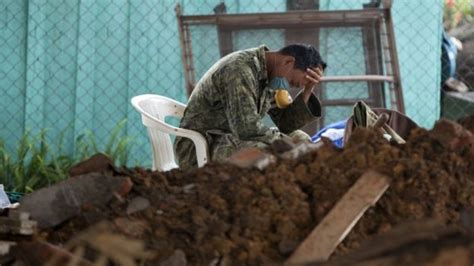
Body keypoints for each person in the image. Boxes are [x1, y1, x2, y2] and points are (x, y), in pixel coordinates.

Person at [174, 44, 326, 168]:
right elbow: (246, 128)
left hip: (234, 138)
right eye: (293, 82)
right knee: (264, 153)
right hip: (201, 145)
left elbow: (286, 125)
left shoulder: (271, 75)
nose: (290, 87)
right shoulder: (239, 69)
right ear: (288, 62)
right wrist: (283, 142)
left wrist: (307, 90)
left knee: (301, 139)